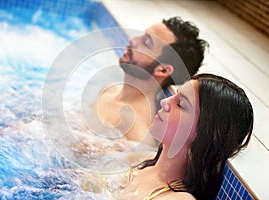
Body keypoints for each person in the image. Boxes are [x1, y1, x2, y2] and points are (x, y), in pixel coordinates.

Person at [114, 73, 254, 200]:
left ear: (203, 132)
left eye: (180, 104)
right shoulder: (143, 159)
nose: (165, 102)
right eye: (174, 96)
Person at [93, 17, 209, 146]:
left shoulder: (137, 130)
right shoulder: (109, 89)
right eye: (141, 36)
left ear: (163, 70)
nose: (133, 41)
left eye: (146, 42)